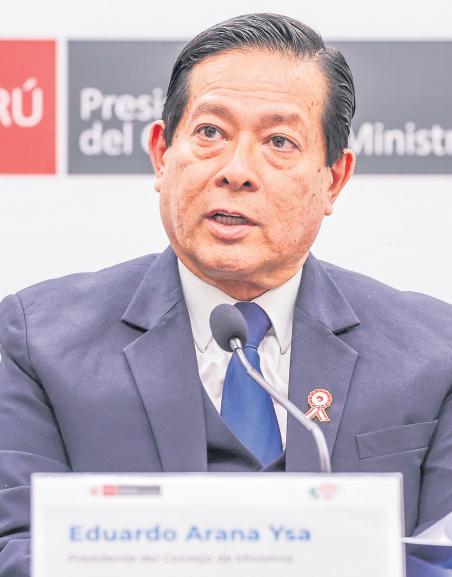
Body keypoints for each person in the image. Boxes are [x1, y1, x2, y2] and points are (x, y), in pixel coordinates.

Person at [1, 13, 451, 576]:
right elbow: (15, 549)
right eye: (210, 132)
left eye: (279, 141)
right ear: (162, 154)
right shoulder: (38, 341)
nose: (237, 171)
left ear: (333, 180)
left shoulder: (434, 353)